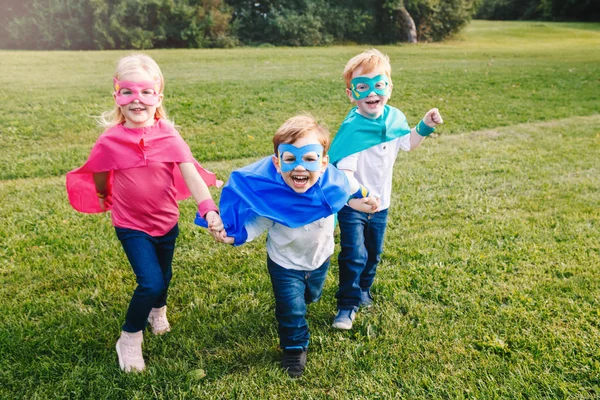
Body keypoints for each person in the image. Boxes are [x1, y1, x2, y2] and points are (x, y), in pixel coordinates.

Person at [66, 53, 224, 372]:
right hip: (130, 225)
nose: (137, 101)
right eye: (128, 92)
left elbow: (191, 173)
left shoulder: (168, 134)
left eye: (146, 92)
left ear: (158, 97)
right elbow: (99, 168)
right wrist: (102, 191)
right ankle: (129, 337)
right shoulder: (110, 138)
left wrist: (209, 210)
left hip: (166, 223)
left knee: (164, 277)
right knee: (150, 281)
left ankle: (158, 310)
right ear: (117, 97)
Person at [201, 115, 375, 378]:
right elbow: (257, 222)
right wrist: (235, 236)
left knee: (311, 295)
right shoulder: (273, 196)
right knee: (291, 308)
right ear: (277, 162)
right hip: (284, 262)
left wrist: (366, 198)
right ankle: (294, 347)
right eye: (290, 159)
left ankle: (305, 298)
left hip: (319, 259)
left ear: (324, 163)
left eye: (309, 158)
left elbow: (353, 190)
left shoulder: (335, 182)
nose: (299, 167)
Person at [328, 48, 444, 330]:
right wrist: (362, 197)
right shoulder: (353, 129)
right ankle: (347, 304)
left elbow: (408, 143)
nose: (371, 92)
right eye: (362, 86)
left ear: (389, 87)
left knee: (373, 252)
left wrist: (425, 126)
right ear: (351, 94)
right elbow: (344, 173)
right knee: (354, 253)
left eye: (378, 84)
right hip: (354, 205)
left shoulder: (394, 119)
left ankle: (364, 289)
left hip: (382, 204)